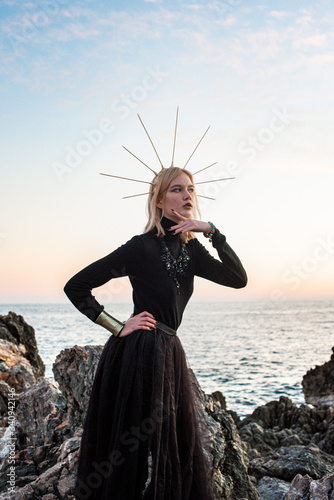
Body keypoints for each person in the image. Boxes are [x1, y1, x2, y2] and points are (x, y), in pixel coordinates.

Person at [64, 166, 247, 500]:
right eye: (177, 189)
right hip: (136, 353)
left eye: (191, 189)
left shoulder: (194, 252)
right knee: (128, 446)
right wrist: (118, 326)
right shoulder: (141, 247)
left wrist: (213, 231)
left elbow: (238, 279)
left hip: (169, 351)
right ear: (159, 199)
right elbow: (76, 286)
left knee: (170, 444)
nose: (187, 195)